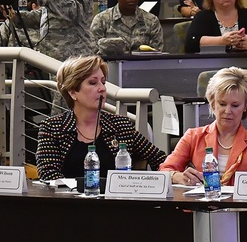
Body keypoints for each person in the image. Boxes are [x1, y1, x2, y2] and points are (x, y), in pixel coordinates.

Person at [35, 55, 167, 181]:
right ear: (73, 92)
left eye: (103, 82)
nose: (102, 88)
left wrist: (172, 174)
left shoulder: (120, 125)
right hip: (69, 202)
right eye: (93, 83)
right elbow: (48, 174)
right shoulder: (52, 127)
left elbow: (159, 159)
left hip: (114, 201)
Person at [159, 67, 247, 186]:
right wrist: (178, 177)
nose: (227, 111)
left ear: (245, 106)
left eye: (235, 105)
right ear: (213, 103)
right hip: (199, 204)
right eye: (222, 104)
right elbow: (164, 171)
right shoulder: (193, 136)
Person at [89, 0, 163, 55]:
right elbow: (93, 54)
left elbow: (157, 54)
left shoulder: (152, 21)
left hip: (143, 66)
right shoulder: (101, 20)